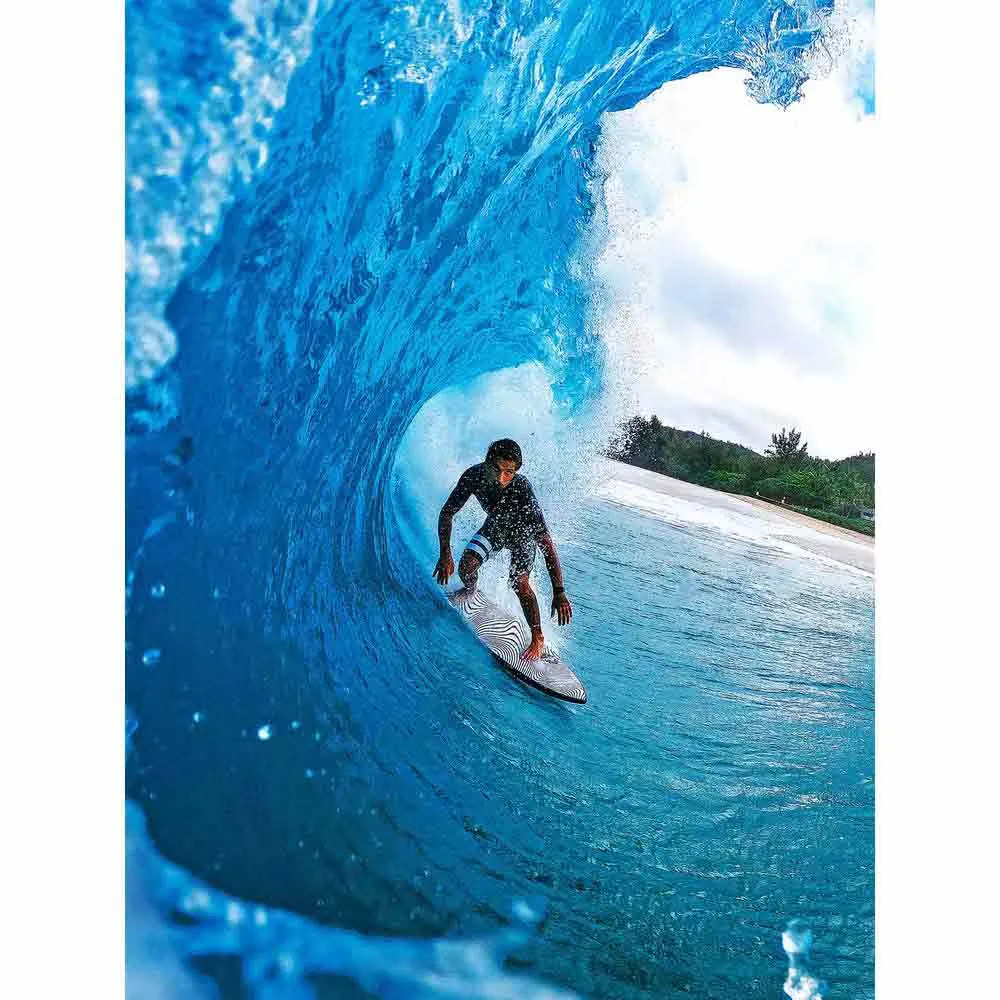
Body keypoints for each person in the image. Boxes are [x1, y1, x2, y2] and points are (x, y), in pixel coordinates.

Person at [433, 439, 573, 661]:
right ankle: (470, 591)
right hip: (495, 529)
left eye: (509, 472)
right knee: (466, 567)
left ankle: (538, 637)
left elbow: (546, 542)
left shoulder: (522, 488)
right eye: (496, 469)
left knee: (520, 584)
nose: (501, 478)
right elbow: (447, 512)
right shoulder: (473, 476)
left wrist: (559, 591)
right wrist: (445, 553)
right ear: (487, 462)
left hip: (522, 536)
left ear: (516, 471)